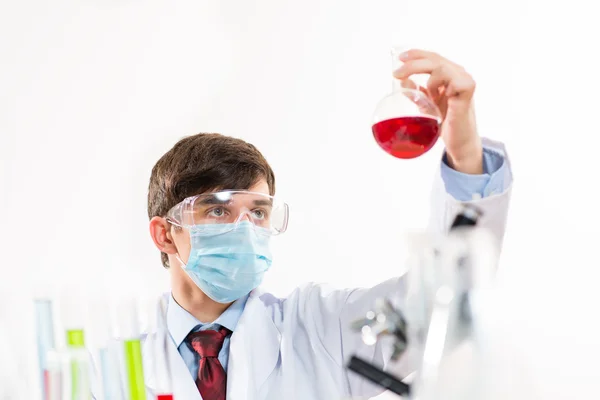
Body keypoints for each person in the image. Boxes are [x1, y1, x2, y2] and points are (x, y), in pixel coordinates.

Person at [144, 49, 512, 400]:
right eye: (219, 211)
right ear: (165, 234)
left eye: (258, 212)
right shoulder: (111, 367)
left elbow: (442, 304)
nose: (245, 229)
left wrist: (464, 152)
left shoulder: (321, 330)